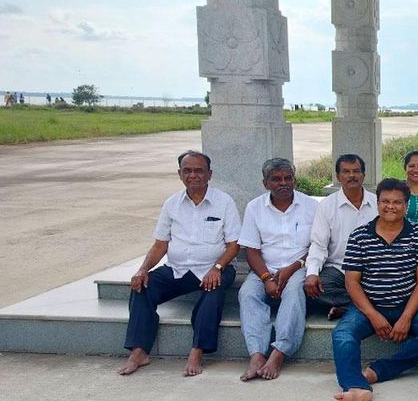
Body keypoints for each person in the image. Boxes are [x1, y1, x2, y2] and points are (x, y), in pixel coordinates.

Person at [117, 151, 240, 377]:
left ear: (209, 174)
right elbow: (160, 245)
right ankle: (139, 351)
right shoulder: (171, 204)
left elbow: (234, 245)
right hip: (177, 269)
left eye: (199, 170)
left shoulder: (224, 202)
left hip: (214, 268)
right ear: (180, 174)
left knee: (213, 290)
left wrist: (217, 268)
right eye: (187, 171)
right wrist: (143, 269)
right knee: (141, 287)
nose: (193, 175)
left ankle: (197, 350)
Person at [331, 178, 418, 401]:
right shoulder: (359, 236)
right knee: (342, 335)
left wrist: (407, 317)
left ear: (406, 205)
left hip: (408, 305)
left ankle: (379, 371)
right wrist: (373, 315)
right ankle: (357, 387)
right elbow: (352, 282)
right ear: (377, 203)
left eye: (397, 202)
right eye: (385, 201)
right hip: (368, 306)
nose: (391, 206)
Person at [236, 158, 317, 381]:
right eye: (276, 179)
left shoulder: (311, 206)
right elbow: (251, 250)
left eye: (288, 178)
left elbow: (317, 246)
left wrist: (293, 268)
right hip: (265, 268)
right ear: (265, 183)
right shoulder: (255, 207)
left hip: (299, 266)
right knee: (247, 293)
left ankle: (279, 352)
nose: (283, 183)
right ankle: (257, 354)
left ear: (294, 180)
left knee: (293, 292)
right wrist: (265, 278)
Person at [304, 154, 377, 321]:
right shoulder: (327, 206)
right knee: (313, 289)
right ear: (338, 177)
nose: (351, 175)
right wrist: (312, 273)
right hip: (338, 269)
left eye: (356, 171)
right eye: (346, 172)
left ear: (363, 175)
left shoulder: (378, 203)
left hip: (373, 269)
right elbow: (318, 244)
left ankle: (351, 307)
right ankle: (358, 307)